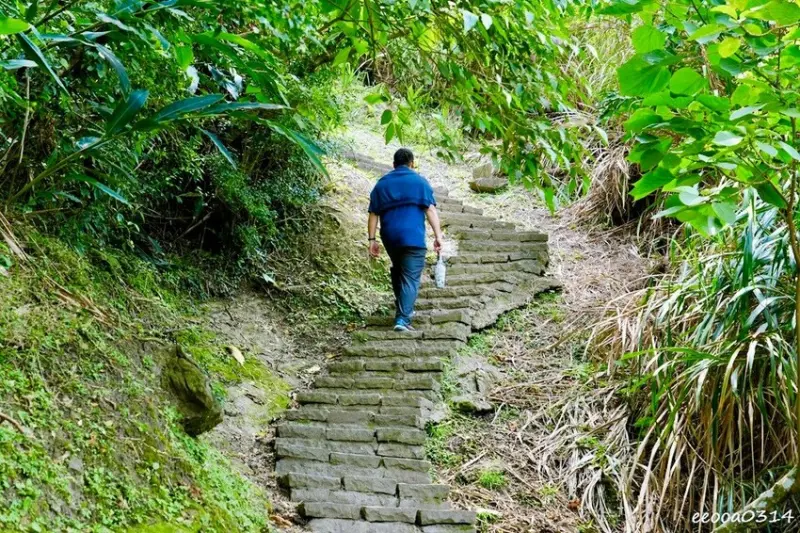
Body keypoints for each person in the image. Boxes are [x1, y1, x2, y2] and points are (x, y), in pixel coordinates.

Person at [367, 148, 444, 332]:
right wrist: (438, 236)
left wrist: (372, 240)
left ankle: (404, 308)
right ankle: (403, 319)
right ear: (412, 163)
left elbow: (373, 214)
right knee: (410, 276)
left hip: (391, 238)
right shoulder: (419, 181)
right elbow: (430, 210)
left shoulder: (382, 184)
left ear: (394, 164)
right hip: (413, 238)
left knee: (399, 270)